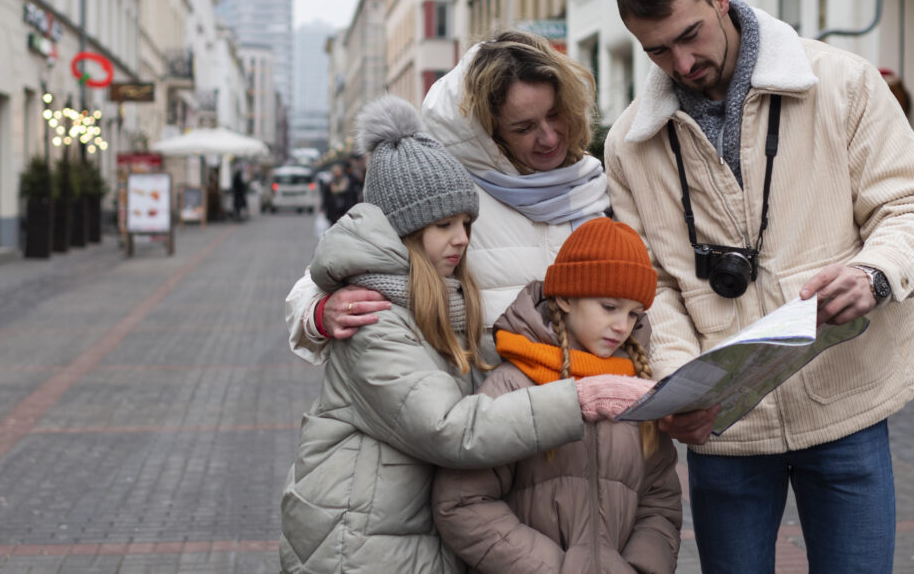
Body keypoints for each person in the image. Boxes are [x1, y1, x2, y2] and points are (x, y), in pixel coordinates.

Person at [605, 0, 914, 572]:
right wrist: (683, 386)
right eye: (657, 51)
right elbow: (649, 284)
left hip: (846, 399)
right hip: (725, 426)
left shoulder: (842, 81)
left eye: (690, 35)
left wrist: (874, 275)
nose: (682, 63)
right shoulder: (629, 144)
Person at [279, 96, 653, 574]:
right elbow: (448, 428)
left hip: (395, 524)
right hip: (356, 536)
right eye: (444, 225)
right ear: (405, 230)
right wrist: (576, 400)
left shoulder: (440, 300)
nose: (462, 238)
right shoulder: (375, 316)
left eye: (466, 224)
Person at [284, 29, 609, 357]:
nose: (549, 138)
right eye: (524, 128)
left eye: (554, 115)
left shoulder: (594, 185)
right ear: (487, 133)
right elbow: (325, 274)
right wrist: (320, 312)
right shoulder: (446, 195)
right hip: (484, 387)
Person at [432, 217, 682, 573]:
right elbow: (463, 502)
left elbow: (660, 503)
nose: (622, 326)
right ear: (564, 297)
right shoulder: (513, 386)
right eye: (609, 307)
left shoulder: (636, 390)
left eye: (633, 314)